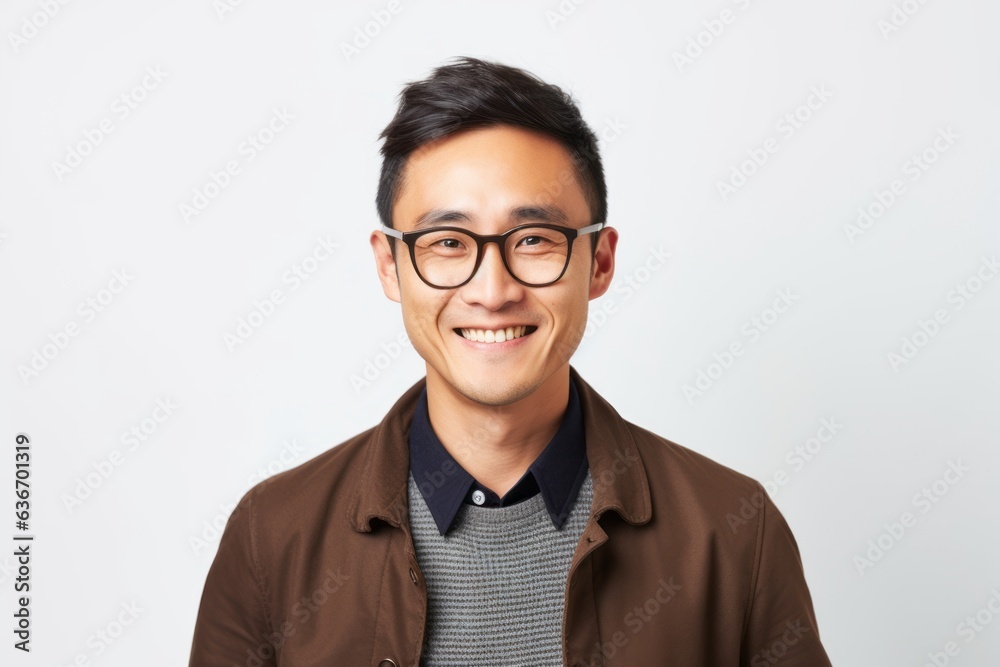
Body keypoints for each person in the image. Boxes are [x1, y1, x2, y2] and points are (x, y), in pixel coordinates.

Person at [189, 56, 832, 667]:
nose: (493, 292)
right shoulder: (272, 536)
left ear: (599, 262)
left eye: (533, 240)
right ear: (390, 265)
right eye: (446, 242)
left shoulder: (732, 531)